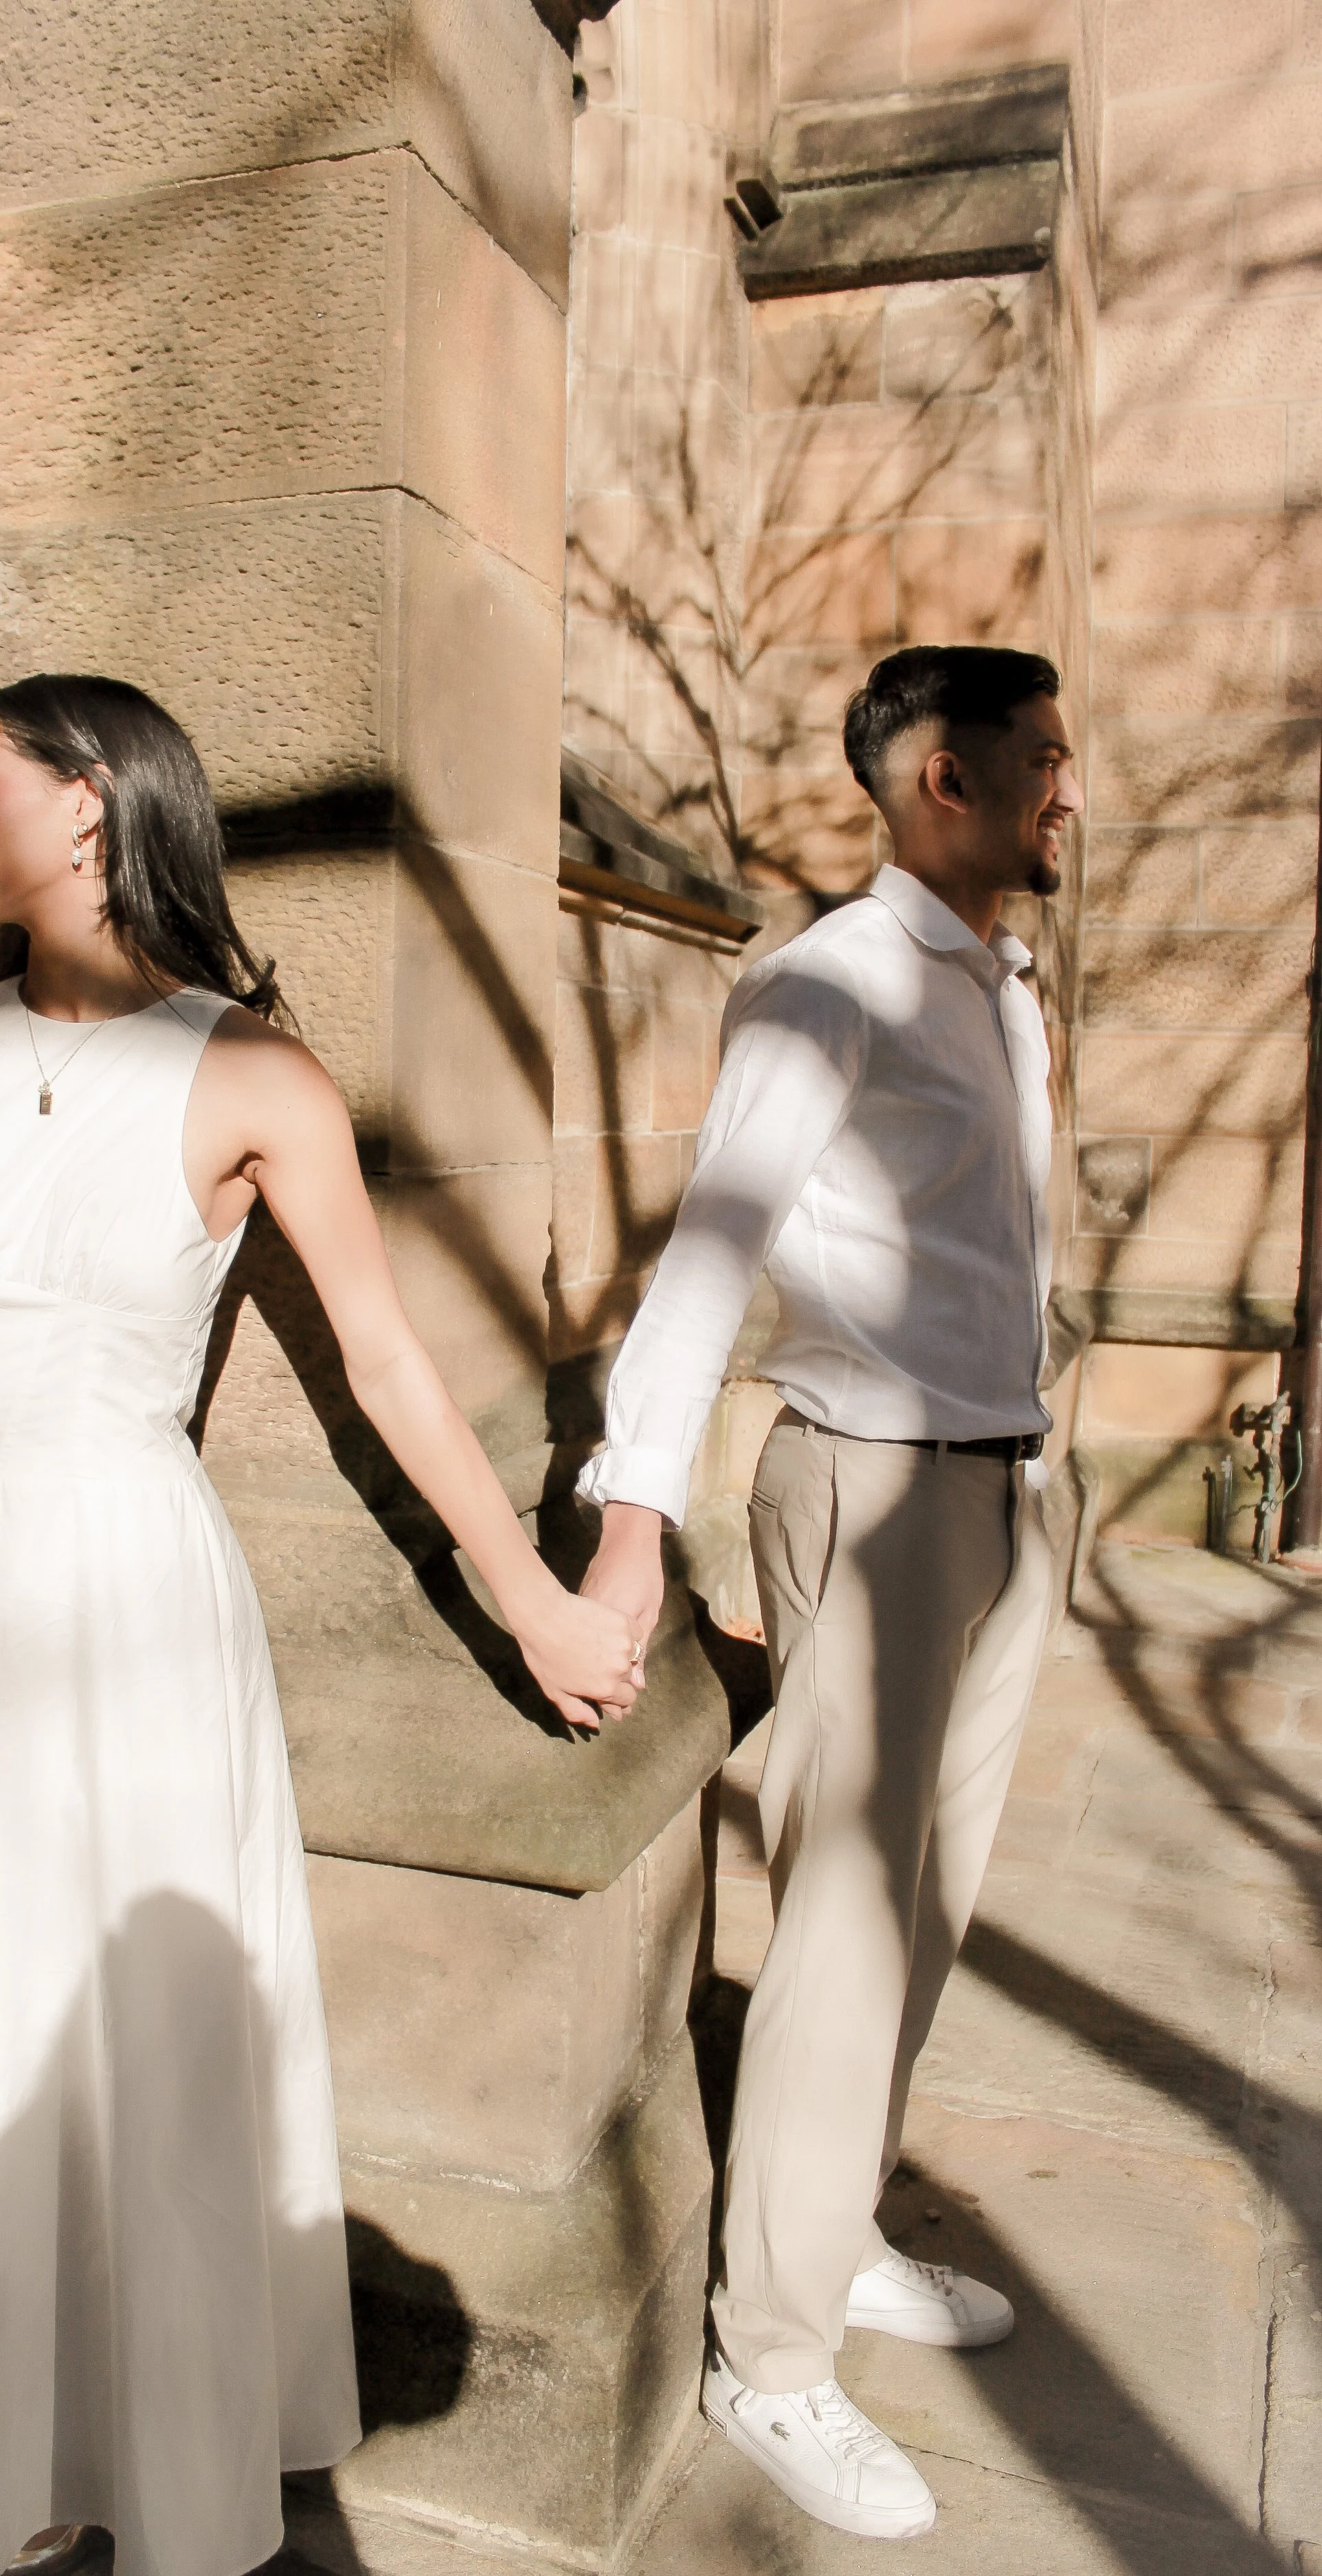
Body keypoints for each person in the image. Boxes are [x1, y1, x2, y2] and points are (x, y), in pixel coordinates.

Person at [0, 673, 643, 2576]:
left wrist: (528, 1601)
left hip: (128, 1609)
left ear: (88, 803)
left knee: (143, 2050)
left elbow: (389, 1362)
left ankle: (147, 2471)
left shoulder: (258, 1081)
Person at [577, 646, 1084, 2541]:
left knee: (929, 1899)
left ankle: (832, 2223)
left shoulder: (999, 991)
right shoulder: (825, 984)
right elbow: (709, 1251)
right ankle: (770, 2356)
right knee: (846, 1922)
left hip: (1001, 1479)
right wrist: (633, 1525)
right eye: (1042, 759)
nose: (1067, 790)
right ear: (943, 775)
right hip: (870, 1488)